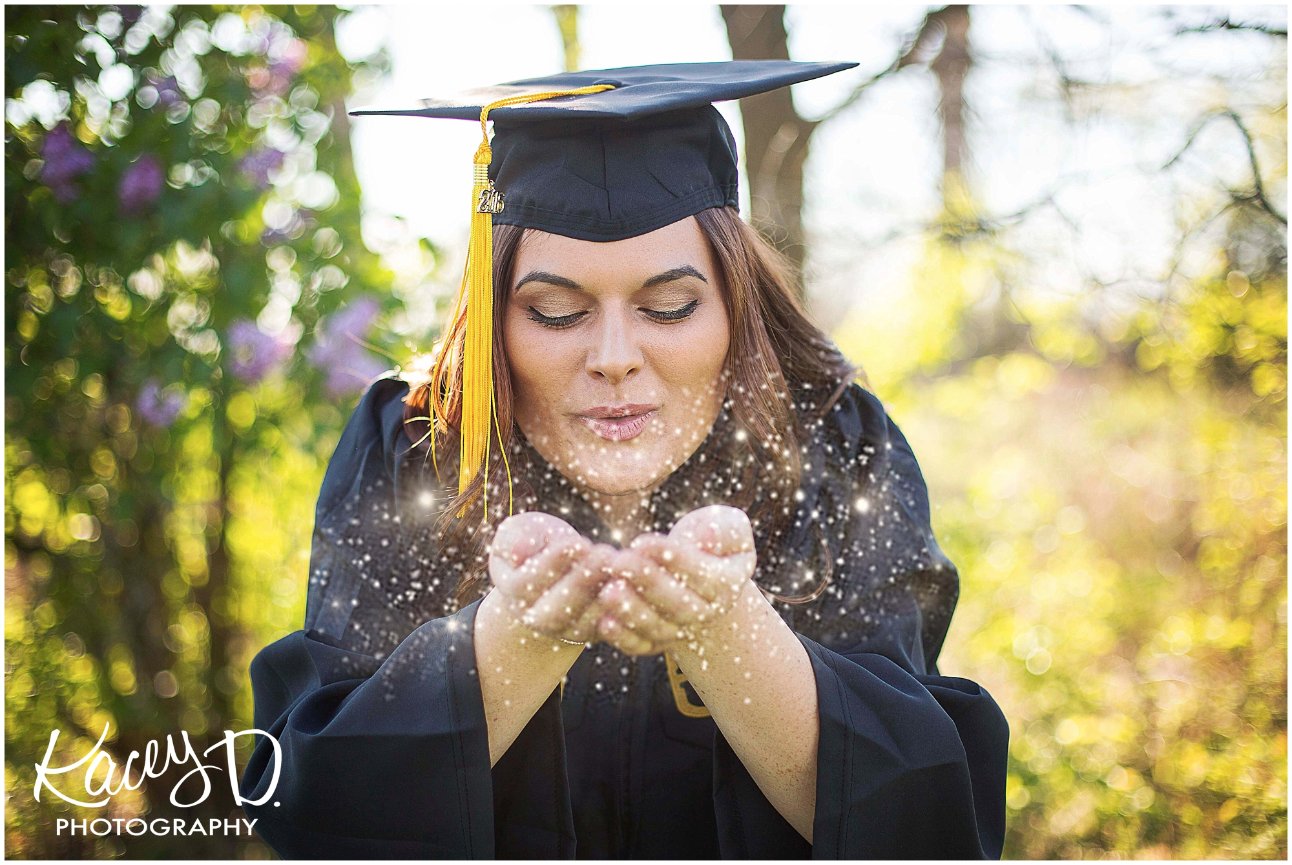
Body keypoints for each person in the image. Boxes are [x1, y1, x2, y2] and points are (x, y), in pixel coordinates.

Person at [238, 61, 1010, 859]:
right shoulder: (413, 450)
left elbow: (928, 828)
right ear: (497, 316)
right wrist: (512, 643)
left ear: (735, 307)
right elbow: (315, 805)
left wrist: (727, 635)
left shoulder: (835, 446)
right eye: (556, 311)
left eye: (668, 306)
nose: (614, 356)